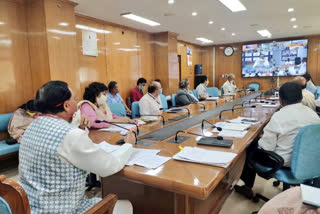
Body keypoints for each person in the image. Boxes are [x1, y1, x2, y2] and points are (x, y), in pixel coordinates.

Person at [18, 81, 134, 213]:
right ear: (67, 106)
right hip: (64, 210)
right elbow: (108, 166)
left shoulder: (32, 126)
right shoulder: (70, 135)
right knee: (126, 205)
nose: (76, 103)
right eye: (74, 99)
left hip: (29, 208)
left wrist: (80, 128)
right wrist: (128, 145)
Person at [235, 82, 320, 199]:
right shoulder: (314, 115)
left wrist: (260, 138)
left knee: (250, 145)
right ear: (301, 97)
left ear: (280, 100)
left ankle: (247, 186)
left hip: (283, 163)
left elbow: (266, 148)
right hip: (310, 162)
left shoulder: (279, 117)